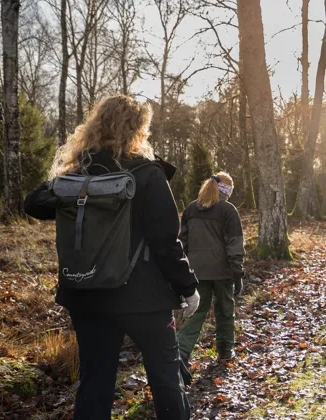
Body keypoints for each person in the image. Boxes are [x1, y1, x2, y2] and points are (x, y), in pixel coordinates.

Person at [24, 95, 198, 420]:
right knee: (165, 377)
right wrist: (187, 287)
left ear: (96, 125)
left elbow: (32, 203)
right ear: (138, 130)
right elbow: (165, 242)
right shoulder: (148, 174)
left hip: (87, 295)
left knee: (95, 381)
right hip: (145, 298)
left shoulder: (79, 173)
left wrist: (69, 178)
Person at [176, 172, 245, 378]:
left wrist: (183, 269)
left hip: (196, 271)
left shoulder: (191, 209)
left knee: (195, 313)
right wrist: (238, 272)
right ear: (227, 191)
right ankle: (225, 351)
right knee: (225, 310)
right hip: (223, 271)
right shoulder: (228, 210)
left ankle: (180, 354)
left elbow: (181, 242)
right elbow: (234, 243)